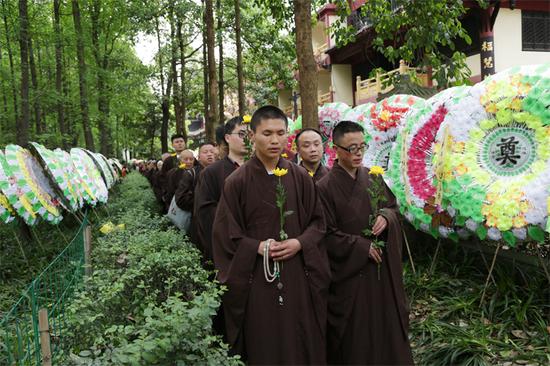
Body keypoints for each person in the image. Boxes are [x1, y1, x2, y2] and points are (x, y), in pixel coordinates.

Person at [212, 106, 330, 364]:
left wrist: (299, 243)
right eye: (267, 133)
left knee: (300, 338)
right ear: (252, 135)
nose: (275, 140)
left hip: (298, 274)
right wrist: (255, 247)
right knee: (263, 340)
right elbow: (224, 235)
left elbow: (319, 223)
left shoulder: (300, 177)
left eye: (280, 133)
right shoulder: (237, 181)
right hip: (256, 277)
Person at [316, 121, 413, 365]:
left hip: (380, 273)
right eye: (351, 148)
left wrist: (386, 218)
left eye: (362, 147)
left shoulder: (373, 177)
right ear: (335, 149)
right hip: (349, 275)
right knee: (357, 335)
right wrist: (360, 247)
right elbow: (323, 233)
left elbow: (392, 208)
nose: (358, 153)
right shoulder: (323, 188)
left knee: (385, 326)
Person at [194, 117, 247, 262]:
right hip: (228, 249)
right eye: (242, 134)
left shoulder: (264, 169)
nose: (247, 139)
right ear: (228, 138)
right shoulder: (211, 173)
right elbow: (205, 214)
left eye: (252, 134)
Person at [174, 143, 216, 239]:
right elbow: (180, 199)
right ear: (199, 157)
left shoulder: (223, 171)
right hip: (199, 222)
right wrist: (200, 202)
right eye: (205, 152)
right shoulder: (191, 174)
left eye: (212, 152)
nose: (209, 154)